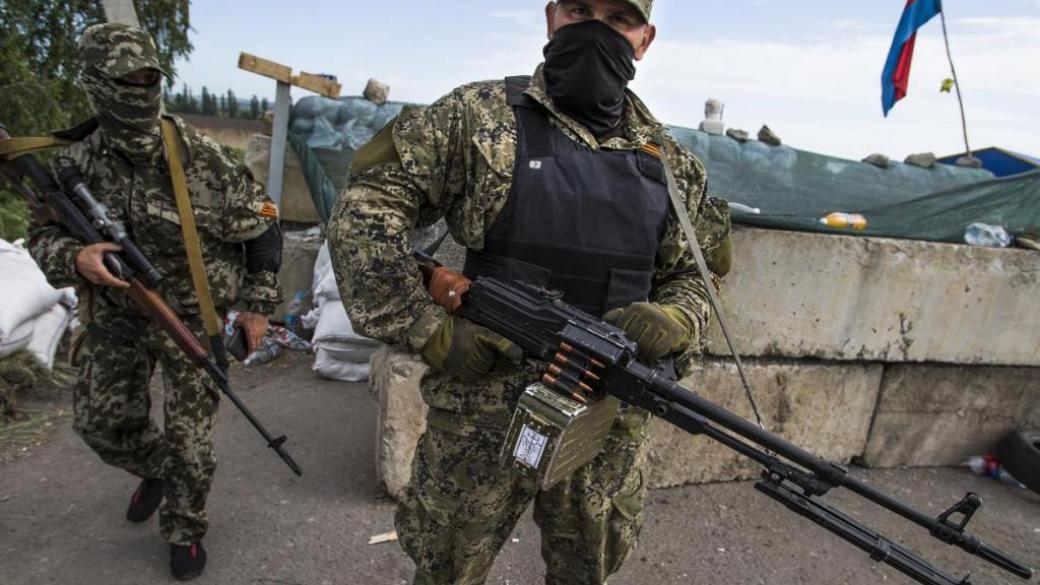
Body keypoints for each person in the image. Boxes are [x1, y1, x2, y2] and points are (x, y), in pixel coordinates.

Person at [328, 0, 732, 583]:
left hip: (604, 414)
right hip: (482, 408)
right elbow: (365, 210)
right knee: (447, 566)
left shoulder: (672, 165)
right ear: (551, 17)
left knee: (586, 568)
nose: (595, 31)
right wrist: (427, 328)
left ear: (644, 39)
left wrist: (679, 317)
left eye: (617, 19)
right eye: (580, 10)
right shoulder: (475, 117)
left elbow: (700, 272)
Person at [28, 23, 283, 581]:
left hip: (192, 316)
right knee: (100, 424)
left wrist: (259, 302)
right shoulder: (74, 163)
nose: (141, 92)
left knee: (192, 444)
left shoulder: (204, 159)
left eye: (149, 79)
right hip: (116, 314)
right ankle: (159, 469)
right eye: (127, 81)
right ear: (96, 84)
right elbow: (41, 233)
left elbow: (266, 217)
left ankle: (185, 528)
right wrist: (75, 258)